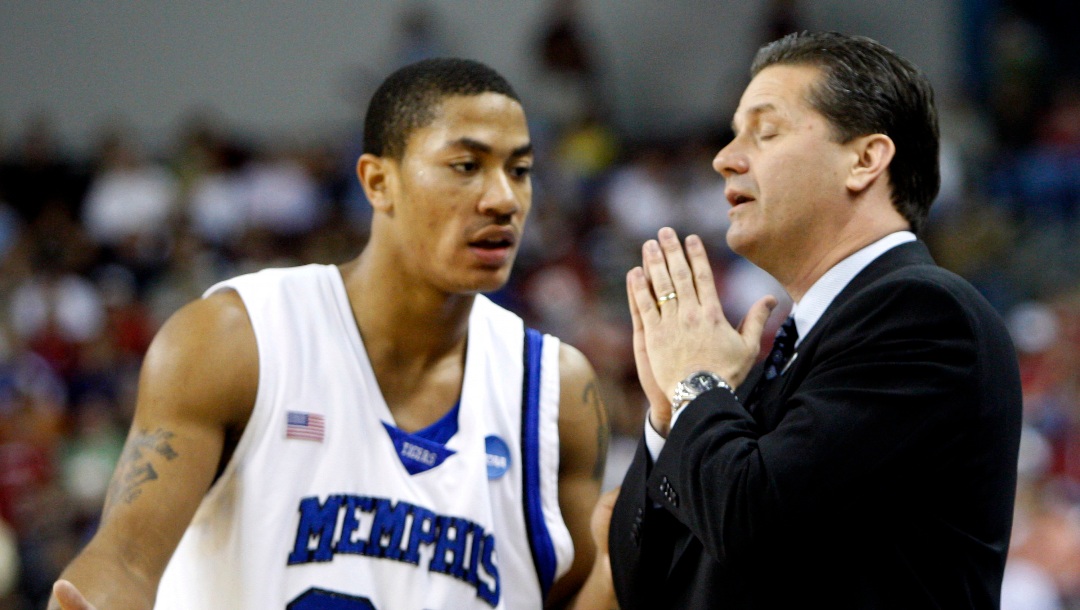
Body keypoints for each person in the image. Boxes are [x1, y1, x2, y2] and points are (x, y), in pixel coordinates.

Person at [48, 57, 615, 610]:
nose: (504, 199)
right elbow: (123, 558)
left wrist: (620, 575)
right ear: (377, 181)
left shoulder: (556, 393)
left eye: (519, 170)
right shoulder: (235, 339)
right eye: (466, 166)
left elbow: (580, 595)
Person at [610, 31, 1023, 609]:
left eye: (766, 131)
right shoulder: (773, 359)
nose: (724, 157)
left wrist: (695, 385)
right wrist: (666, 415)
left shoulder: (924, 314)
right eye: (734, 133)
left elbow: (751, 522)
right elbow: (646, 586)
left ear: (863, 160)